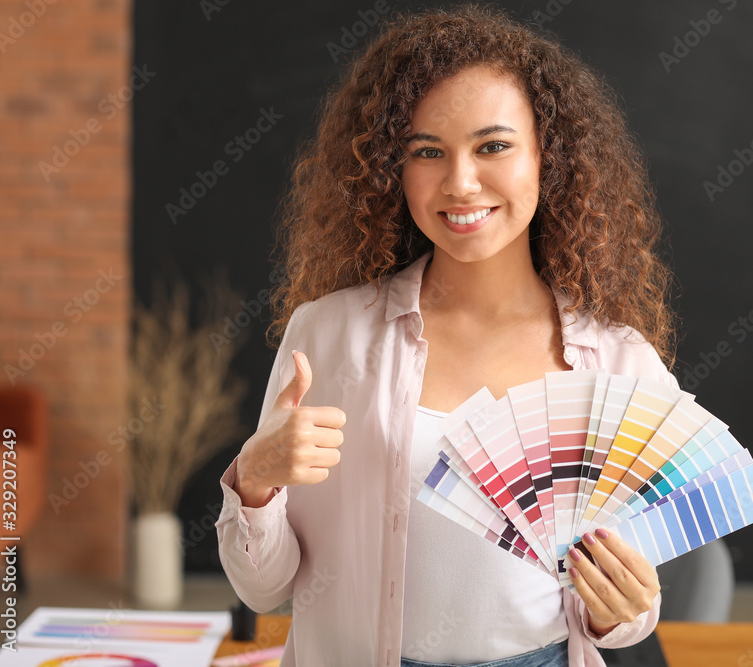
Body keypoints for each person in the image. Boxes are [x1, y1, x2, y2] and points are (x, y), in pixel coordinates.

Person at [215, 5, 680, 666]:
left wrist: (623, 610)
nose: (460, 182)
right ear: (391, 168)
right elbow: (264, 588)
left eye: (493, 146)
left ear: (548, 157)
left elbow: (628, 617)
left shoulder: (620, 361)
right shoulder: (329, 336)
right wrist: (256, 481)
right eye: (427, 151)